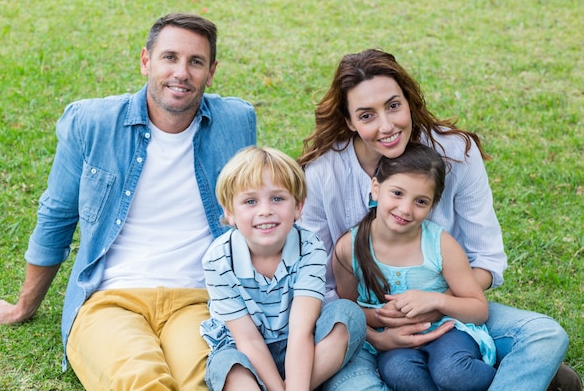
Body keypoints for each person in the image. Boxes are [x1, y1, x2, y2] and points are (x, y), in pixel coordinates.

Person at [0, 13, 257, 390]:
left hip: (200, 301)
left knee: (206, 381)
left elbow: (257, 212)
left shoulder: (236, 121)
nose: (181, 72)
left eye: (196, 62)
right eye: (169, 57)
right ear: (145, 61)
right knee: (138, 381)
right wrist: (25, 305)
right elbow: (57, 215)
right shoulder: (91, 122)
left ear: (211, 71)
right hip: (111, 300)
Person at [297, 49, 580, 391]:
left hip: (452, 314)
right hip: (365, 329)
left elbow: (487, 259)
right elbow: (316, 284)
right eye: (367, 115)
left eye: (393, 106)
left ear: (408, 100)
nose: (386, 126)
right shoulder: (322, 174)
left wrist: (433, 304)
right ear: (349, 121)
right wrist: (375, 331)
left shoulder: (455, 154)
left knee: (544, 335)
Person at [334, 142, 497, 391]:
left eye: (420, 201)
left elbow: (478, 308)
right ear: (376, 188)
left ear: (432, 205)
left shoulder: (440, 244)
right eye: (397, 193)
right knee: (400, 373)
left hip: (448, 331)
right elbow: (348, 307)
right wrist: (379, 317)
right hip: (395, 341)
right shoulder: (350, 247)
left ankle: (513, 378)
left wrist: (436, 301)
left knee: (451, 371)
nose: (405, 209)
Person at [200, 146, 365, 391]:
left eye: (277, 198)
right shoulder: (218, 259)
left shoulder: (309, 247)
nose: (265, 210)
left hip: (302, 345)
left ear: (298, 207)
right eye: (250, 201)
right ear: (229, 212)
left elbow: (301, 331)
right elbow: (248, 340)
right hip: (245, 351)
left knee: (348, 315)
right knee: (229, 367)